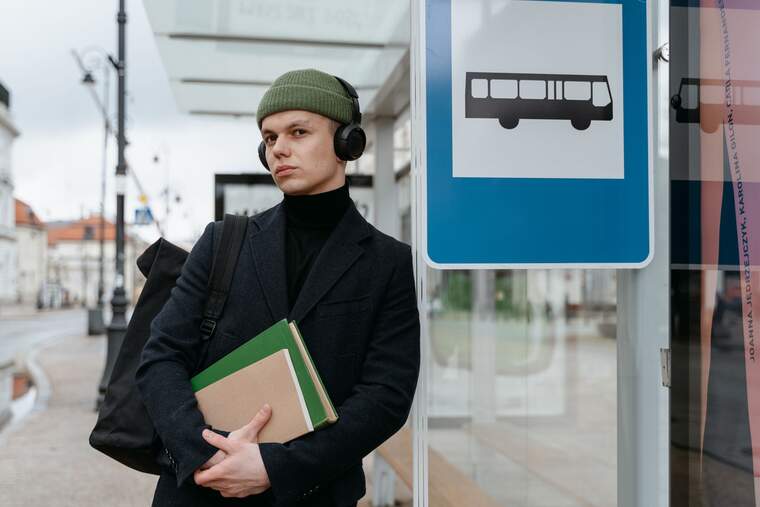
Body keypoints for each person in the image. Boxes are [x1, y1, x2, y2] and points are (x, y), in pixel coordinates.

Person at [136, 68, 421, 507]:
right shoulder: (221, 242)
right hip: (201, 492)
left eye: (298, 132)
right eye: (269, 138)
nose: (279, 149)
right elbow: (160, 357)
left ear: (348, 143)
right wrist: (208, 455)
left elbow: (386, 396)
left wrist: (274, 467)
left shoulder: (388, 262)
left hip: (316, 493)